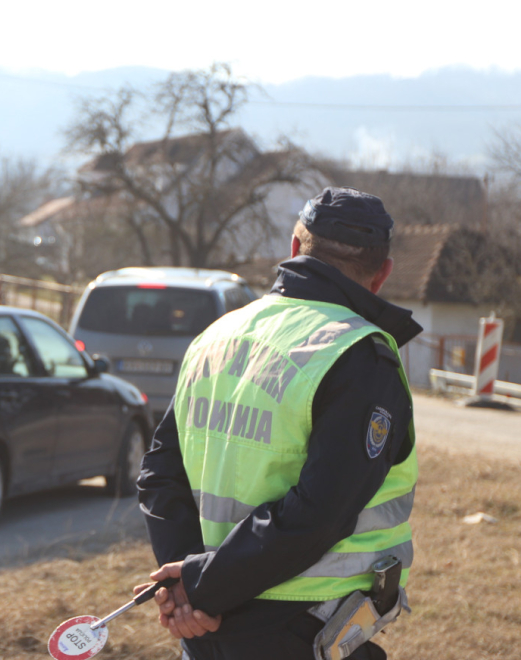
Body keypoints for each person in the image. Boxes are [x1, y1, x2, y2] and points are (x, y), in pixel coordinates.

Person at [136, 187, 422, 660]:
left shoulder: (215, 336)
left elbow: (159, 475)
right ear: (382, 274)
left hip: (207, 629)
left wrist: (189, 583)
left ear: (293, 247)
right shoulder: (359, 356)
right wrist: (197, 587)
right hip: (303, 628)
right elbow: (319, 513)